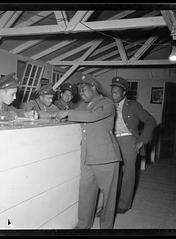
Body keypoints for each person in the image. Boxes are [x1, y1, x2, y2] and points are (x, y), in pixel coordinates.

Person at [56, 75, 122, 229]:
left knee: (109, 197)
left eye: (84, 89)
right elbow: (66, 113)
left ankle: (106, 227)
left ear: (94, 87)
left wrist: (68, 114)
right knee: (86, 195)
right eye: (79, 90)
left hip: (106, 158)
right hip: (87, 158)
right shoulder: (83, 105)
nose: (81, 93)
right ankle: (83, 225)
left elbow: (92, 116)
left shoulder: (107, 103)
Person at [110, 76, 156, 214]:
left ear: (124, 92)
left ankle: (124, 204)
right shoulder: (108, 105)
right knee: (112, 173)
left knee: (128, 173)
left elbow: (150, 121)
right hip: (112, 141)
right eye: (112, 92)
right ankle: (110, 204)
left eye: (117, 92)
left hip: (128, 140)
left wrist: (142, 140)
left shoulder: (133, 105)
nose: (114, 95)